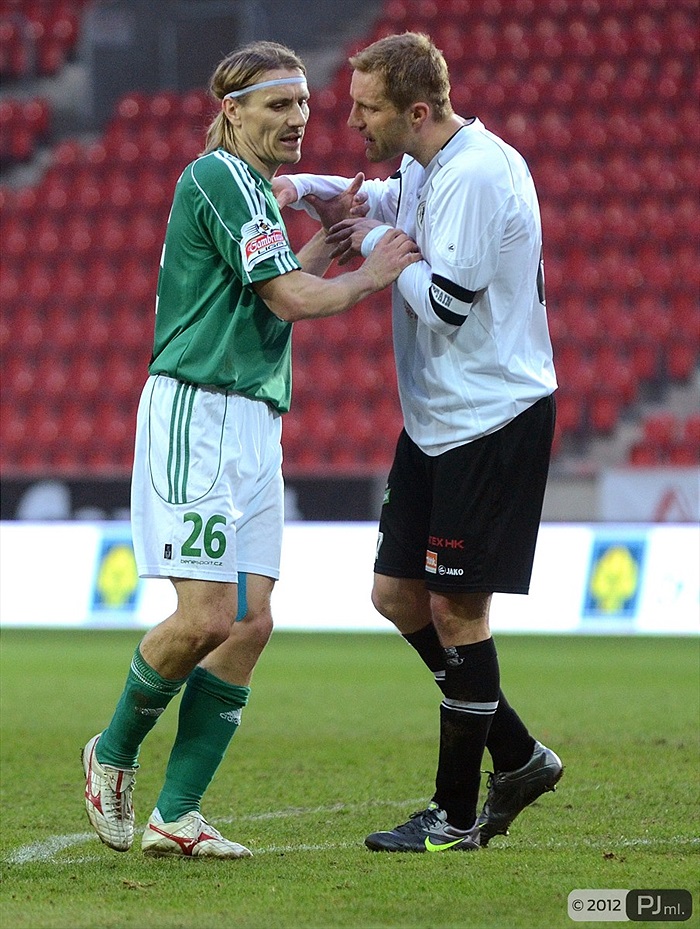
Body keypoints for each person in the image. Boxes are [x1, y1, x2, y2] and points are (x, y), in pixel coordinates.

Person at [81, 40, 419, 860]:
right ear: (232, 112)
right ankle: (111, 753)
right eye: (279, 105)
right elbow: (290, 300)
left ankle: (178, 814)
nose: (298, 119)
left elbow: (263, 298)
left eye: (303, 104)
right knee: (206, 615)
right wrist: (370, 273)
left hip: (255, 417)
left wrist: (325, 249)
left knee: (250, 621)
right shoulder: (220, 177)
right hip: (197, 413)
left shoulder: (252, 192)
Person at [275, 32, 562, 853]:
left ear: (418, 111)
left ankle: (455, 815)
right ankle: (520, 755)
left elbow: (443, 306)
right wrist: (306, 188)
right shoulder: (425, 164)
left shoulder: (475, 175)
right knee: (397, 595)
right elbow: (379, 199)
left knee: (457, 610)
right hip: (436, 421)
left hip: (490, 419)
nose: (352, 120)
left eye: (366, 108)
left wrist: (369, 247)